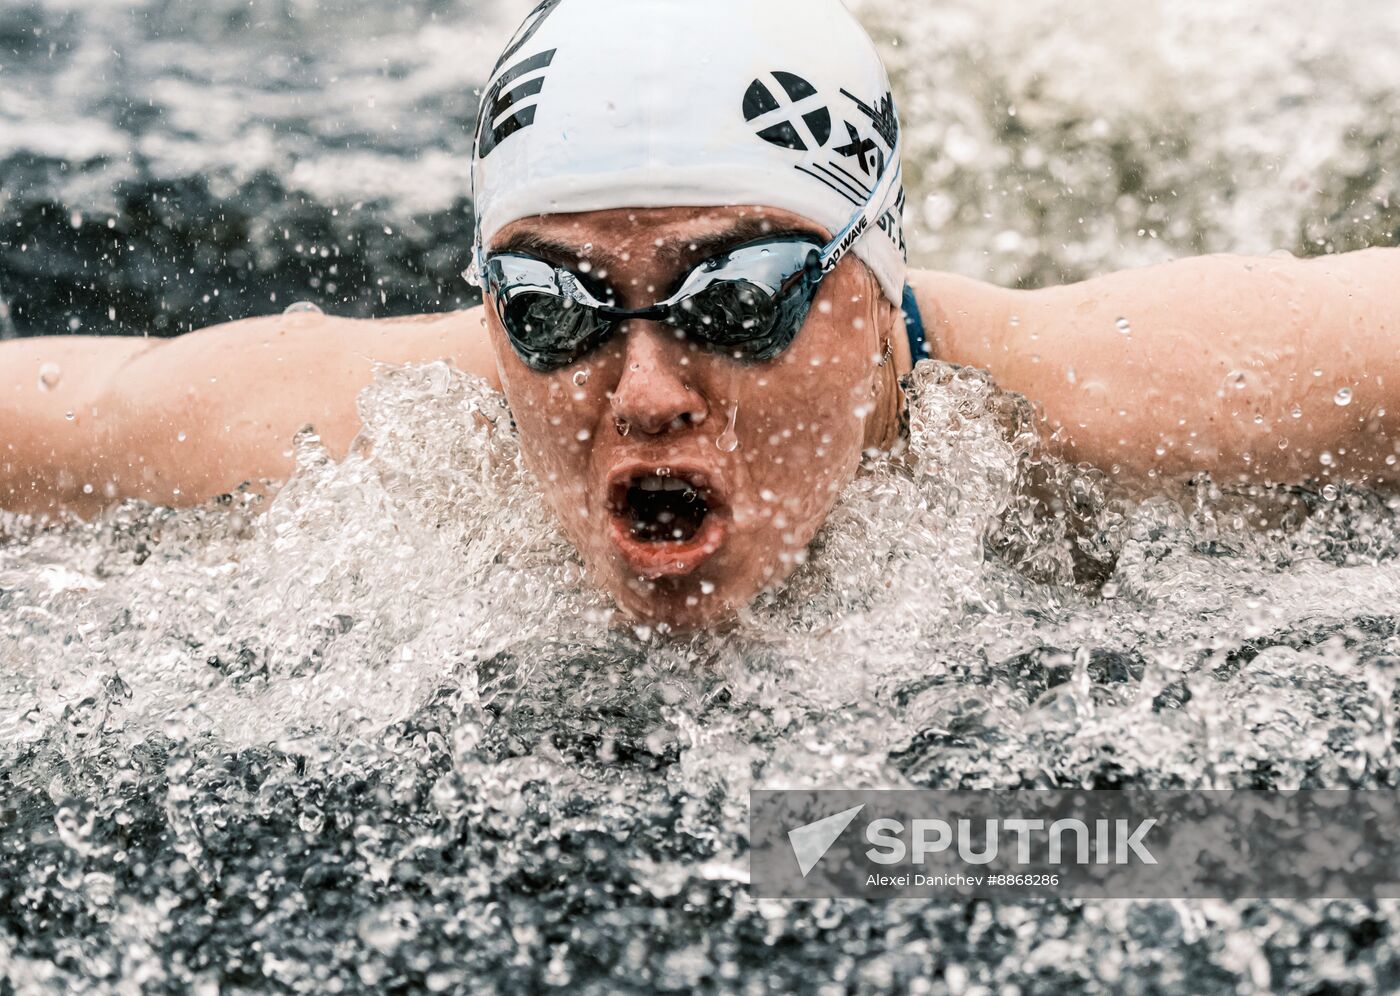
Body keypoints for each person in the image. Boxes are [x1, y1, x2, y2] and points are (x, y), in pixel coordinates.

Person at [1, 0, 1397, 629]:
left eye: (736, 298)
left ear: (869, 285)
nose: (649, 388)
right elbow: (71, 418)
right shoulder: (364, 431)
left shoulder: (1137, 390)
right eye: (554, 307)